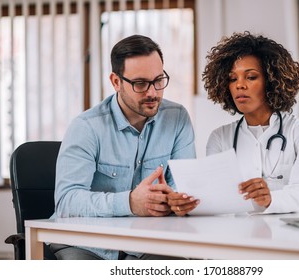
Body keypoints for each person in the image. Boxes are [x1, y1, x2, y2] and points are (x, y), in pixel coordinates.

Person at [50, 34, 196, 260]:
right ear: (116, 82)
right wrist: (129, 202)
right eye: (140, 84)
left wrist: (178, 200)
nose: (152, 93)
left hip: (147, 243)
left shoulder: (177, 118)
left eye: (158, 80)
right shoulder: (86, 127)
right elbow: (67, 202)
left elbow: (184, 187)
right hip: (87, 243)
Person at [168, 31, 299, 216]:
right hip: (237, 235)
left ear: (272, 81)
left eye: (251, 77)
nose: (240, 85)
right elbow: (214, 200)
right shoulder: (220, 137)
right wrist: (186, 204)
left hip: (286, 236)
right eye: (233, 79)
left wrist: (271, 199)